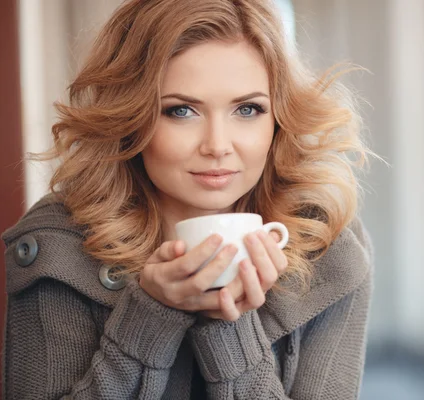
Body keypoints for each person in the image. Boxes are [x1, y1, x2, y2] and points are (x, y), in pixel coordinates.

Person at [2, 0, 373, 398]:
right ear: (129, 118)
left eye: (247, 109)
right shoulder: (60, 248)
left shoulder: (326, 245)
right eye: (181, 111)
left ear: (279, 118)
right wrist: (148, 315)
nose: (218, 146)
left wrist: (229, 325)